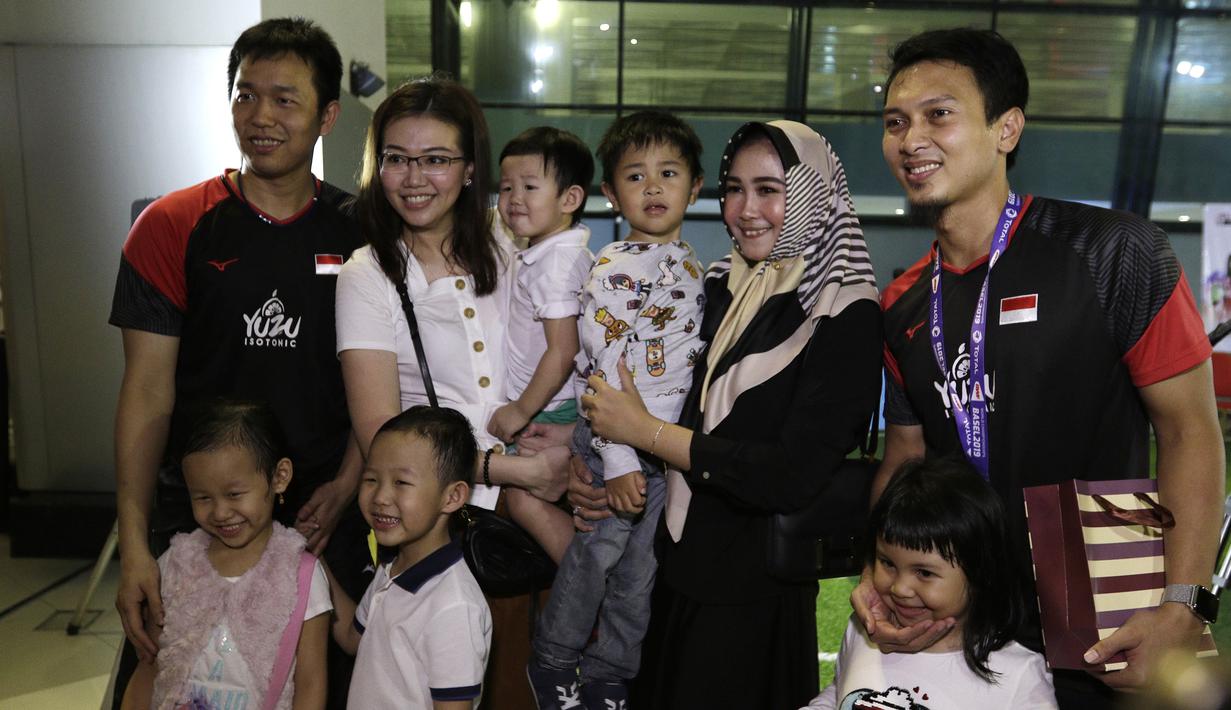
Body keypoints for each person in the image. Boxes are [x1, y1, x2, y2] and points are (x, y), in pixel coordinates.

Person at [860, 28, 1224, 707]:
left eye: (938, 114)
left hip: (1106, 613)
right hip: (965, 615)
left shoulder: (1112, 252)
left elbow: (1188, 432)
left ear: (1006, 128)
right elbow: (905, 461)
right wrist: (877, 575)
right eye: (894, 122)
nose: (910, 138)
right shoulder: (901, 301)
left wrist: (1184, 605)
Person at [576, 120, 882, 707]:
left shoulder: (844, 310)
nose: (746, 209)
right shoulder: (716, 285)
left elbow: (790, 473)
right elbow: (641, 386)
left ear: (812, 193)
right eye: (735, 188)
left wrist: (648, 435)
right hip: (672, 571)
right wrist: (598, 458)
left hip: (751, 595)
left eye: (770, 188)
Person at [108, 16, 366, 707]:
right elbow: (146, 396)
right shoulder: (170, 225)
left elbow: (383, 384)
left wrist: (347, 485)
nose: (261, 117)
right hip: (198, 521)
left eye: (285, 99)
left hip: (322, 517)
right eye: (246, 96)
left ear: (327, 116)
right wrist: (136, 544)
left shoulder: (363, 234)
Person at [334, 75, 570, 709]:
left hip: (551, 498)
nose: (415, 178)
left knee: (556, 676)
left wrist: (572, 445)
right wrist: (516, 470)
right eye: (396, 159)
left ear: (469, 169)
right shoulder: (368, 274)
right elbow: (382, 438)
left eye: (436, 159)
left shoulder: (513, 236)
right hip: (449, 529)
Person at [526, 110, 706, 709]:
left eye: (668, 173)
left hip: (660, 450)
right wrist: (622, 457)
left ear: (695, 186)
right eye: (635, 176)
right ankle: (552, 659)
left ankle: (609, 675)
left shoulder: (693, 268)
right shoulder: (613, 268)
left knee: (639, 574)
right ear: (610, 193)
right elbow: (602, 366)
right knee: (597, 555)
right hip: (615, 444)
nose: (653, 187)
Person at [121, 400, 331, 710]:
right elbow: (150, 666)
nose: (220, 512)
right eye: (202, 497)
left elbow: (311, 684)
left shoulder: (301, 575)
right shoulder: (176, 564)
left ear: (279, 477)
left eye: (234, 494)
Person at [806, 457, 1057, 709]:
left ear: (981, 572)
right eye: (888, 563)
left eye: (924, 573)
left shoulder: (1019, 677)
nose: (900, 589)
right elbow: (842, 691)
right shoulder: (863, 628)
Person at [327, 406, 492, 709]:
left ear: (452, 497)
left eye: (401, 483)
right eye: (371, 479)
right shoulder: (393, 568)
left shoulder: (453, 606)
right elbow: (354, 639)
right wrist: (316, 567)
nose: (380, 497)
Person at [488, 126, 595, 564]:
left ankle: (590, 587)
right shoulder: (548, 251)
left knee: (524, 500)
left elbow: (563, 349)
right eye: (507, 187)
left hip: (550, 409)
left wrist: (520, 410)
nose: (514, 198)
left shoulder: (555, 262)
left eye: (530, 187)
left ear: (569, 199)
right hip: (552, 405)